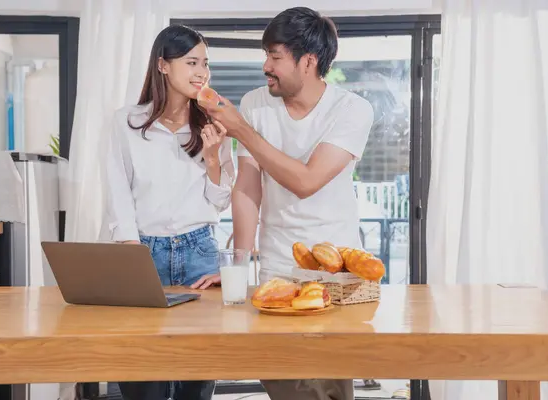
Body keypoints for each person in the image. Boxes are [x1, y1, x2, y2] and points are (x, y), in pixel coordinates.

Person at [193, 7, 374, 400]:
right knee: (281, 380)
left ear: (308, 61)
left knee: (330, 386)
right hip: (277, 266)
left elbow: (306, 181)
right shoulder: (256, 103)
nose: (265, 66)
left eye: (275, 56)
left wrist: (241, 128)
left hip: (335, 272)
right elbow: (247, 189)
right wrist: (241, 262)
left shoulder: (352, 110)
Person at [105, 24, 233, 400]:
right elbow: (118, 191)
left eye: (205, 63)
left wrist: (212, 159)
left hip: (200, 255)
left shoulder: (213, 125)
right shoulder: (126, 122)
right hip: (143, 251)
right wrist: (131, 250)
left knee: (197, 377)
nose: (201, 73)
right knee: (143, 376)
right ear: (163, 65)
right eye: (191, 62)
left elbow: (219, 202)